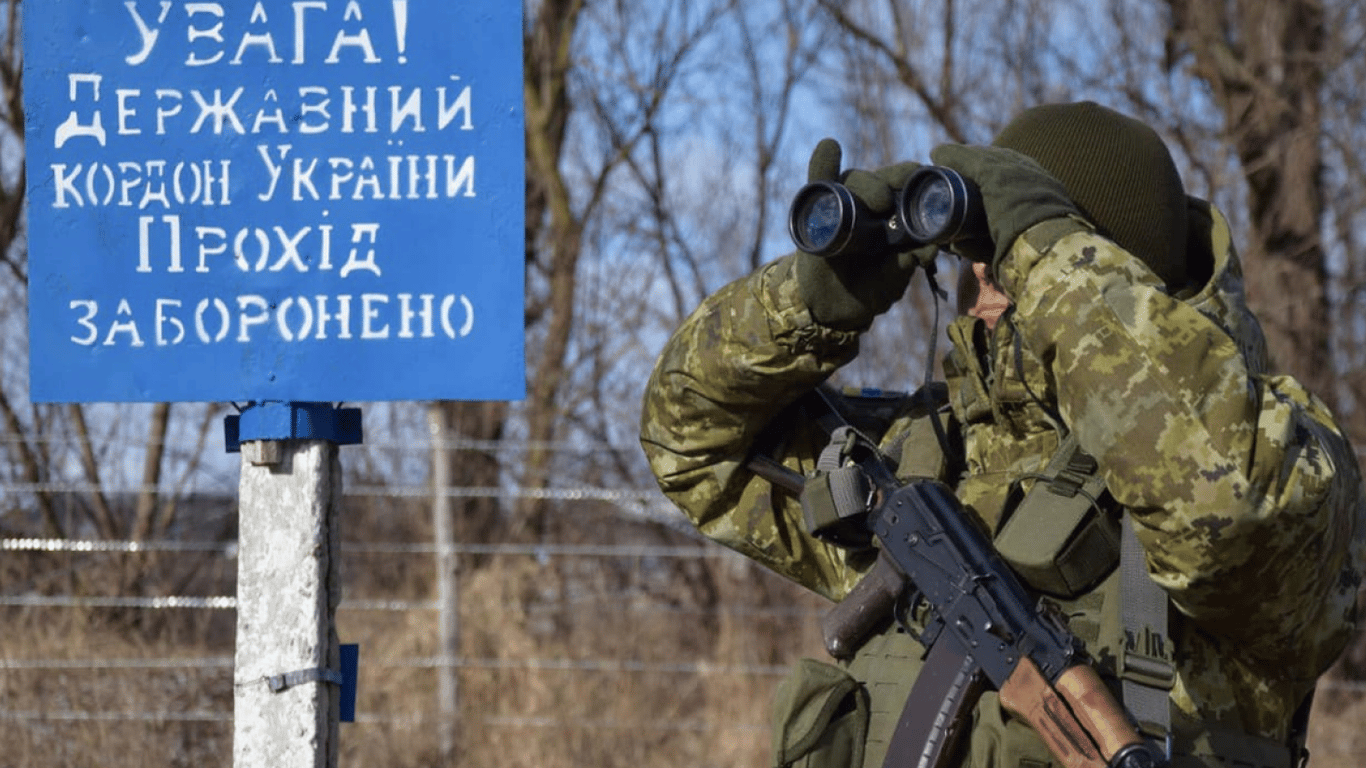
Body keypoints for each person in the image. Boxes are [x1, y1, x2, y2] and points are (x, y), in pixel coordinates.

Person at [639, 101, 1365, 768]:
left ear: (1103, 266)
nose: (986, 292)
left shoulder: (1280, 456)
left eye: (1013, 259)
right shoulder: (930, 454)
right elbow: (688, 440)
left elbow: (1221, 510)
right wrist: (808, 304)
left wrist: (1052, 253)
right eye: (978, 259)